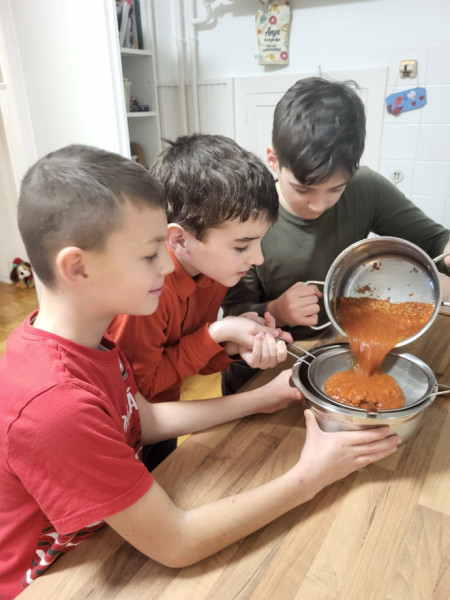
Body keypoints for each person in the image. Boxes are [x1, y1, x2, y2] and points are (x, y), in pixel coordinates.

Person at [0, 144, 402, 600]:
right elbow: (177, 541)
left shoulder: (90, 341)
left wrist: (262, 398)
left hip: (103, 540)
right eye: (150, 255)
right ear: (78, 267)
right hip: (49, 581)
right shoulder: (55, 405)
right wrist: (312, 474)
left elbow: (143, 418)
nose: (167, 264)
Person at [222, 76, 450, 394]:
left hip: (335, 350)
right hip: (260, 371)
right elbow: (233, 315)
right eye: (303, 189)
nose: (319, 204)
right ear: (273, 159)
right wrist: (276, 310)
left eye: (335, 189)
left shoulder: (366, 188)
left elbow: (435, 241)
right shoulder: (246, 216)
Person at [108, 134, 292, 469]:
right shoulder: (146, 293)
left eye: (259, 242)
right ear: (179, 239)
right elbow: (144, 392)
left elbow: (187, 357)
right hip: (126, 436)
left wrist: (232, 345)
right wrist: (217, 333)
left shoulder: (213, 272)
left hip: (168, 416)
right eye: (242, 246)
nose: (258, 259)